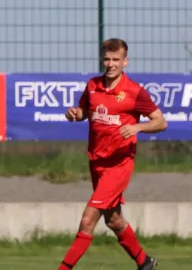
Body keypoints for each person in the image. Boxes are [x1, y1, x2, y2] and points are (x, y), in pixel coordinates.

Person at [59, 38, 167, 270]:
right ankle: (144, 262)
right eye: (107, 59)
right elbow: (84, 112)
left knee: (88, 220)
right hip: (97, 161)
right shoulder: (92, 85)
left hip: (119, 164)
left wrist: (138, 127)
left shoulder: (134, 91)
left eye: (116, 59)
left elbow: (160, 121)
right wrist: (75, 113)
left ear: (125, 62)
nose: (111, 64)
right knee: (114, 219)